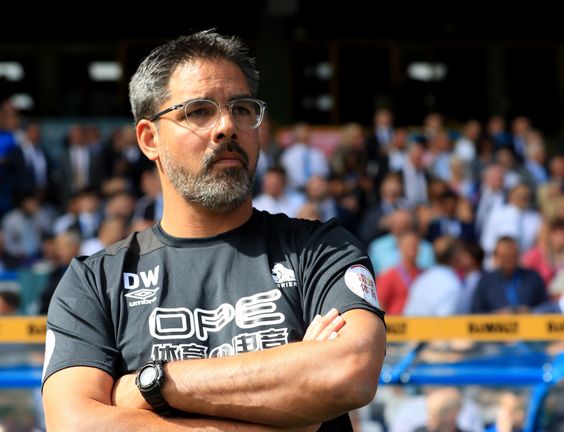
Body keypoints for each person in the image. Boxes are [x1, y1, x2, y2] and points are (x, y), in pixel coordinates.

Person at [42, 30, 386, 431]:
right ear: (149, 138)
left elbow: (351, 369)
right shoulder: (94, 281)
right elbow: (75, 423)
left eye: (242, 109)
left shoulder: (321, 249)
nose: (227, 126)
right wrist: (288, 411)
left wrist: (152, 384)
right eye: (199, 111)